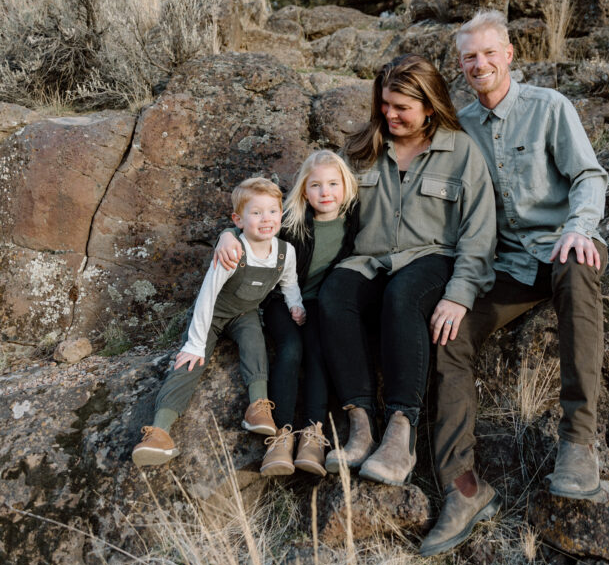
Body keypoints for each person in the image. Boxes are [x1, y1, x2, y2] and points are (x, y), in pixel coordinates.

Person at [420, 10, 609, 557]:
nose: (479, 64)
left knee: (579, 268)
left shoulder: (550, 108)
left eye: (487, 53)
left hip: (561, 248)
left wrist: (578, 229)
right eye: (468, 57)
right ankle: (463, 488)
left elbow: (588, 177)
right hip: (506, 265)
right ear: (461, 66)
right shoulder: (458, 128)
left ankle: (578, 442)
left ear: (508, 55)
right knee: (449, 334)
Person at [317, 54, 497, 486]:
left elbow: (480, 230)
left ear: (430, 106)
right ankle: (360, 425)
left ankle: (401, 433)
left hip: (432, 259)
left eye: (401, 107)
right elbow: (320, 209)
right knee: (333, 295)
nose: (389, 114)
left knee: (403, 298)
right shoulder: (361, 150)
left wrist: (460, 292)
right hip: (368, 260)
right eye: (384, 104)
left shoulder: (461, 150)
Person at [131, 177, 304, 467]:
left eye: (273, 211)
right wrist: (196, 343)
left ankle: (258, 407)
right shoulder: (233, 250)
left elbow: (289, 282)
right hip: (211, 314)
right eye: (256, 212)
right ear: (238, 219)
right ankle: (159, 431)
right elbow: (207, 296)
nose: (266, 219)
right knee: (189, 362)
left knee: (255, 343)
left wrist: (295, 304)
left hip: (244, 313)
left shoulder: (285, 253)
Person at [214, 151, 360, 477]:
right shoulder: (292, 222)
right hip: (281, 300)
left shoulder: (354, 223)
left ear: (346, 185)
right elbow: (251, 231)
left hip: (323, 305)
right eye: (316, 185)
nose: (325, 192)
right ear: (304, 190)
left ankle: (314, 433)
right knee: (291, 350)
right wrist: (225, 235)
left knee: (318, 353)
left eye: (333, 184)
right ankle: (281, 437)